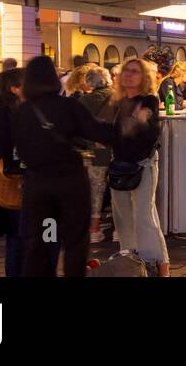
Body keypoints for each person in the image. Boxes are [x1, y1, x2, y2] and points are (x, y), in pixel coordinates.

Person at [13, 55, 115, 276]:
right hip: (69, 184)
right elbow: (98, 132)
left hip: (38, 185)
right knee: (75, 241)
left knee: (41, 241)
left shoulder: (23, 111)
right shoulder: (68, 106)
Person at [110, 58, 169, 276]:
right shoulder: (118, 101)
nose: (128, 75)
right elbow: (113, 132)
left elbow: (148, 124)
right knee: (122, 219)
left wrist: (139, 121)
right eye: (126, 71)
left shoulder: (149, 100)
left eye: (134, 71)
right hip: (119, 165)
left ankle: (160, 266)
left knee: (145, 216)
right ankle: (130, 265)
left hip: (143, 164)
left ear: (144, 77)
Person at [0, 67, 25, 276]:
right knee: (18, 237)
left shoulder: (11, 113)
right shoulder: (3, 116)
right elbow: (7, 150)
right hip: (15, 179)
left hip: (18, 177)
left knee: (22, 236)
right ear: (14, 89)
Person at [74, 66, 114, 243]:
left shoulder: (84, 100)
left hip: (95, 150)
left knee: (96, 189)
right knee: (118, 187)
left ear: (89, 81)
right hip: (117, 149)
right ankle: (118, 229)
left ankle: (94, 229)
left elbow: (78, 128)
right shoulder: (118, 97)